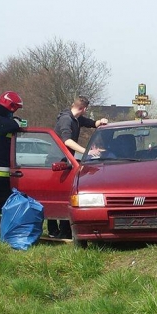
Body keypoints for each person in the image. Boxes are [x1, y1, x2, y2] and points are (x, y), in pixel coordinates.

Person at [48, 96, 109, 238]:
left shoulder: (76, 118)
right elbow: (67, 141)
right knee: (59, 195)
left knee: (63, 195)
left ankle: (61, 230)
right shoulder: (66, 120)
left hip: (66, 161)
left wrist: (100, 122)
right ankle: (55, 231)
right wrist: (87, 152)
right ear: (84, 108)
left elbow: (90, 123)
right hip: (57, 162)